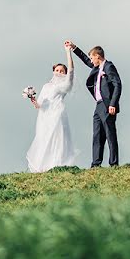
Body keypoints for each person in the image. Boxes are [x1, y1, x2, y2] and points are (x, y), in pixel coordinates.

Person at [25, 41, 81, 172]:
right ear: (53, 71)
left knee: (57, 139)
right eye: (57, 70)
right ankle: (44, 166)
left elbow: (71, 71)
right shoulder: (46, 86)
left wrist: (68, 52)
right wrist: (32, 99)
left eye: (62, 71)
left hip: (57, 114)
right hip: (45, 116)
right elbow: (39, 105)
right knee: (44, 139)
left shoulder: (63, 86)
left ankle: (57, 164)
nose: (58, 72)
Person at [66, 41, 122, 168]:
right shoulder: (96, 68)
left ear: (98, 56)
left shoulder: (109, 66)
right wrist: (74, 48)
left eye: (92, 57)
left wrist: (113, 104)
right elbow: (85, 60)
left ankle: (114, 163)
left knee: (110, 134)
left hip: (108, 105)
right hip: (98, 105)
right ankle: (96, 164)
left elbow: (117, 84)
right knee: (97, 135)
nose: (91, 60)